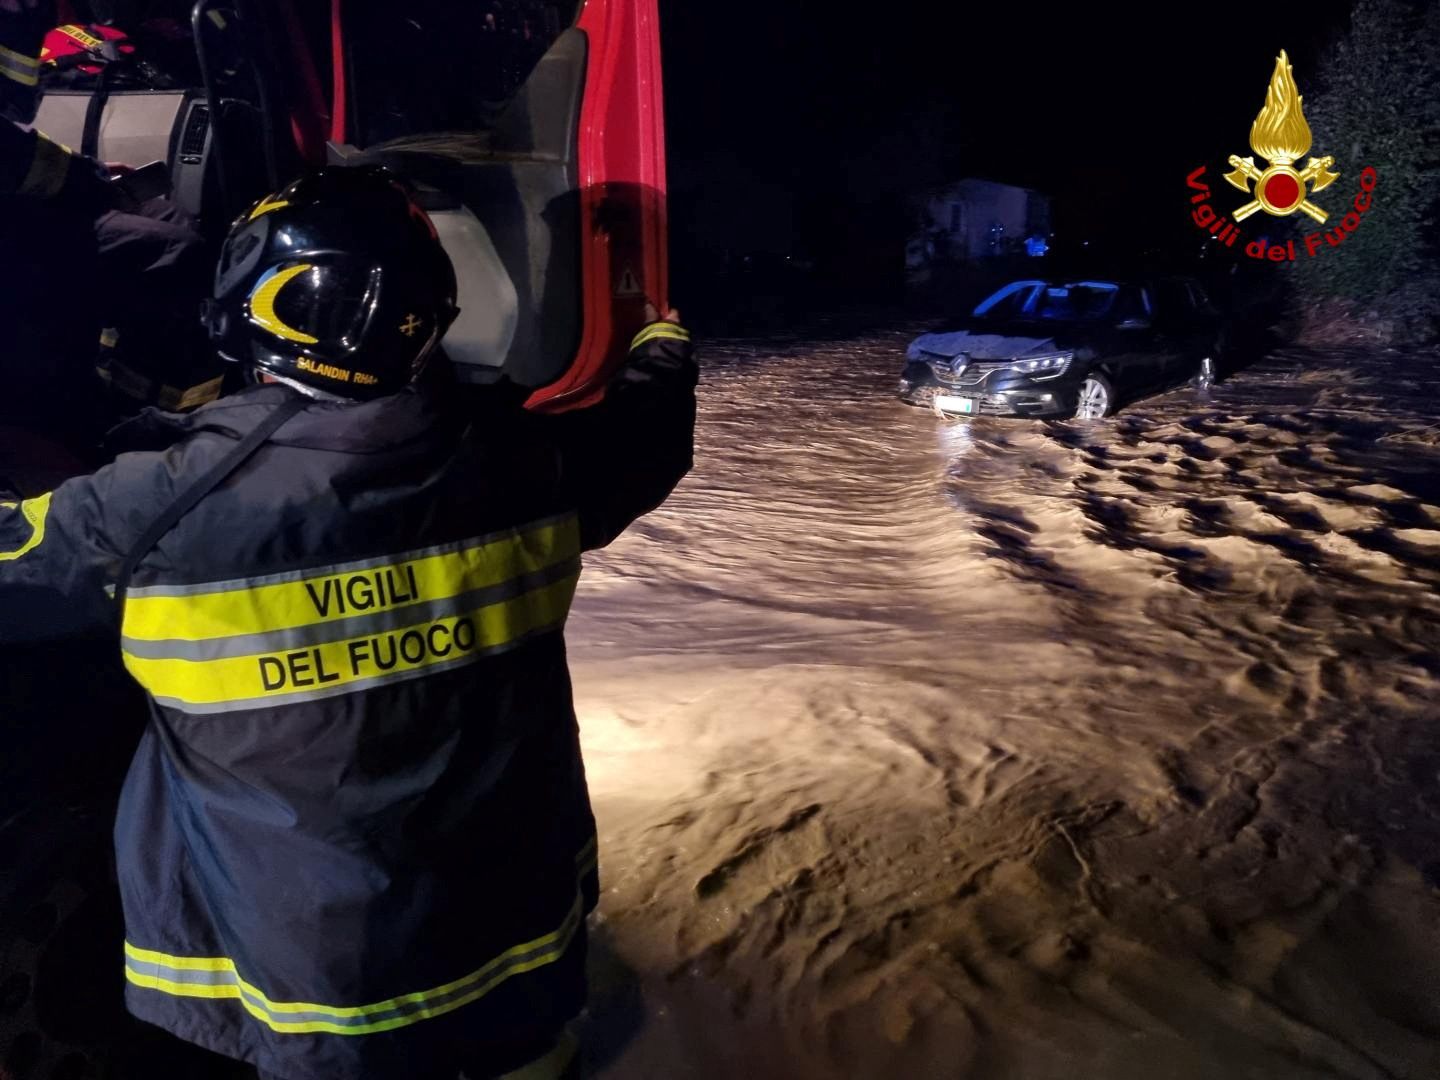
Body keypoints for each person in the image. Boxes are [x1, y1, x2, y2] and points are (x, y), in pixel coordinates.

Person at [0, 166, 697, 1080]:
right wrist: (659, 341)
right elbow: (647, 436)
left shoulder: (150, 512)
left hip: (319, 996)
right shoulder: (531, 466)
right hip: (520, 964)